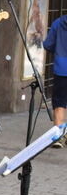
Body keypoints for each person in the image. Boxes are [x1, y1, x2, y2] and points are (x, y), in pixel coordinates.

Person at [42, 11, 67, 147]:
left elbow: (48, 45)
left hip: (62, 69)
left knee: (59, 102)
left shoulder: (58, 23)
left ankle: (58, 136)